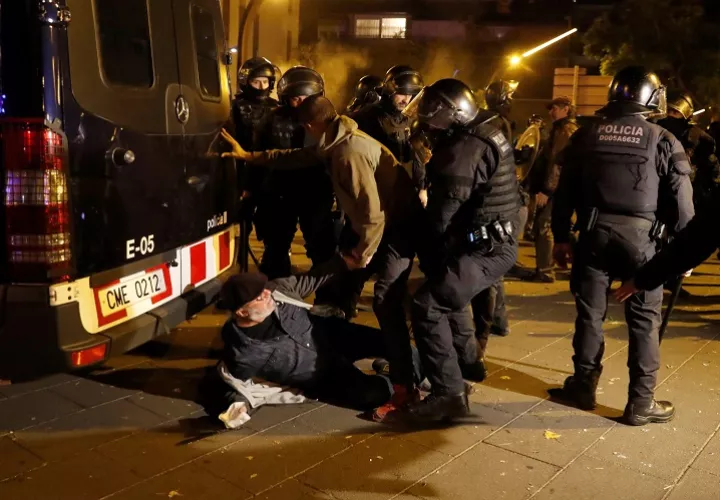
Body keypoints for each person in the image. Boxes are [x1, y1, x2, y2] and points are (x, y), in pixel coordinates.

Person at [220, 95, 424, 422]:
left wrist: (362, 253)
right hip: (374, 230)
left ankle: (408, 388)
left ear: (311, 125)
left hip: (394, 229)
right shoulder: (336, 139)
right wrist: (251, 156)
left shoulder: (348, 152)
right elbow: (296, 157)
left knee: (386, 302)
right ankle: (397, 370)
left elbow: (373, 216)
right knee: (350, 299)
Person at [549, 66, 695, 426]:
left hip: (593, 237)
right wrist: (686, 251)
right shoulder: (663, 138)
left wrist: (562, 237)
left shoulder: (586, 134)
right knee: (645, 322)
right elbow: (682, 203)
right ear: (651, 97)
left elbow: (564, 191)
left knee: (589, 316)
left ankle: (583, 386)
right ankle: (640, 404)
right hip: (643, 244)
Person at [402, 79, 522, 421]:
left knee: (427, 305)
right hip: (487, 241)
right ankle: (468, 363)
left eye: (433, 115)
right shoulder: (485, 128)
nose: (426, 121)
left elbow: (441, 214)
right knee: (448, 292)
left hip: (484, 248)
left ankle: (449, 394)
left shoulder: (462, 150)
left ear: (456, 114)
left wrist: (420, 241)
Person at [212, 268, 422, 420]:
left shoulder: (277, 291)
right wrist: (237, 407)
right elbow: (229, 381)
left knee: (403, 348)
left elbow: (310, 279)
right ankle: (390, 374)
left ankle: (400, 371)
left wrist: (344, 261)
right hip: (323, 375)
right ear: (242, 312)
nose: (267, 294)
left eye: (264, 289)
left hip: (336, 335)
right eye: (259, 296)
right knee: (374, 395)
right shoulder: (244, 352)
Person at [254, 66, 337, 279]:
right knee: (276, 248)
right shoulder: (272, 120)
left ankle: (328, 299)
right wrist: (250, 188)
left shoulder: (327, 120)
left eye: (306, 98)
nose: (301, 104)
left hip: (315, 192)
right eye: (295, 98)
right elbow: (258, 155)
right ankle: (276, 298)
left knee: (322, 248)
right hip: (279, 192)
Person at [231, 57, 279, 268]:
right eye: (256, 81)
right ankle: (239, 264)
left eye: (265, 82)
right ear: (245, 81)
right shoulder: (234, 107)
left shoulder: (277, 108)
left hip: (269, 174)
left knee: (272, 227)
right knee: (242, 223)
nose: (261, 86)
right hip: (241, 171)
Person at [524, 96, 579, 283]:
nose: (551, 112)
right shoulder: (560, 129)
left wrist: (547, 190)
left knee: (544, 227)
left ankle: (546, 271)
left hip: (558, 189)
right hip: (559, 188)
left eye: (554, 108)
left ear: (566, 109)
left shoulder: (565, 130)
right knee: (560, 228)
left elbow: (557, 163)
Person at [353, 65, 427, 200]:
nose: (406, 100)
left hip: (404, 190)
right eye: (401, 94)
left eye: (410, 95)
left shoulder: (412, 120)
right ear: (389, 91)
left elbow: (419, 158)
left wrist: (422, 188)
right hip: (373, 191)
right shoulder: (366, 117)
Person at [657, 92, 720, 215]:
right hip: (657, 199)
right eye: (668, 111)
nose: (670, 115)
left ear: (685, 115)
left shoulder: (698, 138)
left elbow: (712, 169)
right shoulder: (655, 132)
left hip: (688, 199)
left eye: (675, 112)